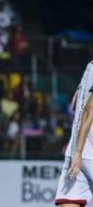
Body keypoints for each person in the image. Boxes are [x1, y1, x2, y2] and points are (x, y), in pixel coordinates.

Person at [55, 60, 93, 206]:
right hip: (82, 150)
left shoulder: (89, 66)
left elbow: (75, 103)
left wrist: (77, 152)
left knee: (69, 202)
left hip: (77, 151)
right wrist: (79, 151)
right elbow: (89, 110)